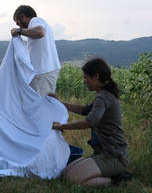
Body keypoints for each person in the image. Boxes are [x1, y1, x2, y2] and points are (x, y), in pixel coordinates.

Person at [48, 58, 129, 186]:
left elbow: (90, 121)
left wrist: (61, 126)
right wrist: (61, 103)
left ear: (96, 76)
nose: (84, 81)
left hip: (114, 157)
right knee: (65, 174)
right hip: (102, 154)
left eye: (86, 78)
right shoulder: (102, 95)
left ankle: (116, 180)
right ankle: (111, 174)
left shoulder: (104, 97)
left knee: (72, 180)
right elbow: (84, 110)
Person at [11, 5, 61, 96]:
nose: (18, 26)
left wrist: (19, 31)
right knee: (41, 106)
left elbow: (40, 32)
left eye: (18, 23)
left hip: (42, 74)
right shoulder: (38, 25)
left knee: (40, 107)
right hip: (44, 73)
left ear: (23, 17)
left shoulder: (35, 21)